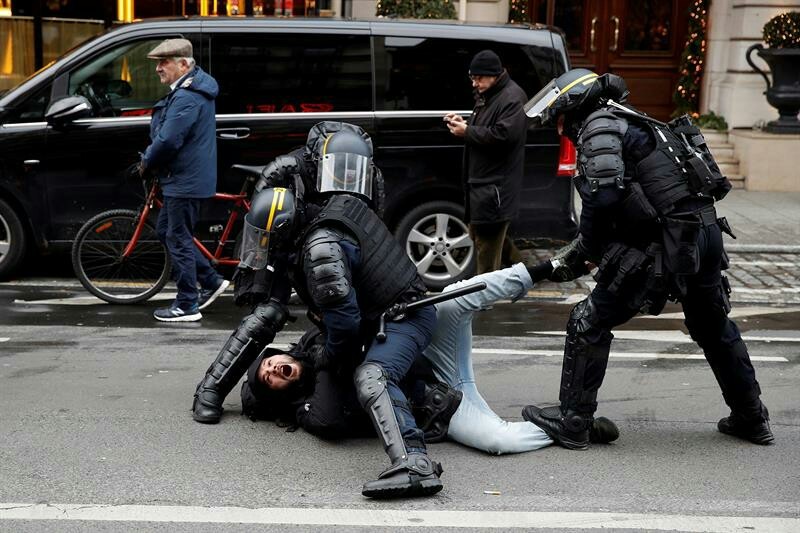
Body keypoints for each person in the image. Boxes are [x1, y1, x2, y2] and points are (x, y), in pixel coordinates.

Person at [520, 68, 774, 450]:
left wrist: (587, 250)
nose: (558, 129)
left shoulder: (599, 124)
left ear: (575, 106)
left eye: (558, 118)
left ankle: (573, 421)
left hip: (661, 244)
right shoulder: (638, 120)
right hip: (704, 234)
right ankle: (753, 418)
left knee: (588, 321)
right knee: (712, 327)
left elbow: (602, 196)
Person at [192, 123, 443, 499]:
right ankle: (209, 389)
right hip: (370, 313)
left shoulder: (321, 245)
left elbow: (343, 329)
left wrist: (325, 361)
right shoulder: (303, 211)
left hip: (402, 316)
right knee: (269, 314)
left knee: (372, 376)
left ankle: (416, 463)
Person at [241, 262, 620, 455]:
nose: (273, 368)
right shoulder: (311, 410)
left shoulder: (311, 340)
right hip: (440, 406)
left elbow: (361, 317)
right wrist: (333, 356)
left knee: (454, 295)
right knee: (497, 441)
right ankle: (575, 425)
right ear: (280, 393)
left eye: (269, 362)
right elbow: (330, 413)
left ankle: (549, 268)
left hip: (430, 355)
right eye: (270, 378)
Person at [139, 38, 228, 322]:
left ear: (183, 64)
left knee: (176, 236)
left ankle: (187, 304)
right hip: (185, 177)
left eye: (163, 63)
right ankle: (211, 281)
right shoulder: (190, 90)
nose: (158, 69)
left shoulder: (188, 96)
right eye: (158, 63)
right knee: (169, 230)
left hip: (184, 179)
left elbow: (168, 140)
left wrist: (146, 161)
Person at [444, 49, 528, 274]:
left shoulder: (512, 97)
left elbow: (503, 136)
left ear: (494, 75)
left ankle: (484, 301)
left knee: (486, 248)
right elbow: (487, 128)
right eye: (472, 78)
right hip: (484, 186)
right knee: (487, 239)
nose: (474, 83)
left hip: (495, 188)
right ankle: (528, 273)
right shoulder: (491, 95)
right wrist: (464, 123)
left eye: (478, 78)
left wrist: (467, 131)